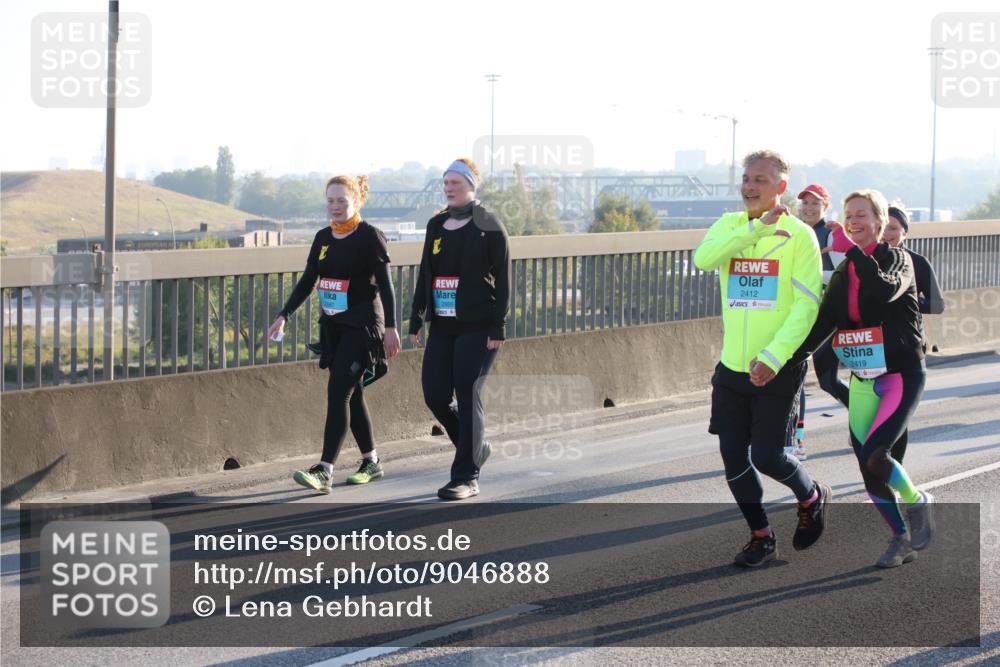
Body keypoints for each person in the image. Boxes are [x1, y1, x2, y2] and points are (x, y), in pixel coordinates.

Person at [693, 149, 832, 568]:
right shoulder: (730, 226)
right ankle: (761, 536)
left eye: (761, 181)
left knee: (767, 456)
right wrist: (753, 232)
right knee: (734, 457)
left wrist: (772, 357)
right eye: (747, 179)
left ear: (780, 188)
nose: (750, 187)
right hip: (732, 366)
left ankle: (810, 495)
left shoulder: (800, 236)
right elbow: (704, 259)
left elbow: (806, 307)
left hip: (778, 365)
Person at [793, 189, 934, 568]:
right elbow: (826, 322)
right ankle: (899, 538)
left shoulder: (899, 260)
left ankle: (917, 502)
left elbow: (885, 289)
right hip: (863, 378)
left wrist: (852, 251)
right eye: (849, 216)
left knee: (878, 453)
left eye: (862, 216)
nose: (854, 222)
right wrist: (790, 359)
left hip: (901, 374)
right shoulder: (845, 270)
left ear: (879, 221)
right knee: (867, 467)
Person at [267, 175, 401, 493]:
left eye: (342, 200)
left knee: (338, 390)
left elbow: (386, 285)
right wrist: (284, 315)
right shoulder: (323, 238)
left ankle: (325, 469)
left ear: (356, 201)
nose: (336, 207)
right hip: (335, 327)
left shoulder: (370, 236)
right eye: (330, 200)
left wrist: (393, 328)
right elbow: (308, 279)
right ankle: (372, 461)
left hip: (364, 326)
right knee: (351, 395)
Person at [409, 158, 511, 501]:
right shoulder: (436, 225)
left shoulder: (489, 224)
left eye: (455, 182)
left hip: (479, 326)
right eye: (445, 182)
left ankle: (466, 475)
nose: (448, 187)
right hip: (443, 325)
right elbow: (427, 271)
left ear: (471, 185)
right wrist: (416, 316)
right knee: (435, 395)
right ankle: (475, 447)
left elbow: (505, 280)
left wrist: (499, 324)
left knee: (468, 396)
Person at [880, 202, 946, 463]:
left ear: (905, 232)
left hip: (907, 347)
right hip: (874, 348)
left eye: (894, 228)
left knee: (897, 415)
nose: (887, 233)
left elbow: (938, 304)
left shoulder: (917, 262)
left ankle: (894, 466)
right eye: (883, 227)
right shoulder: (869, 260)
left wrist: (908, 299)